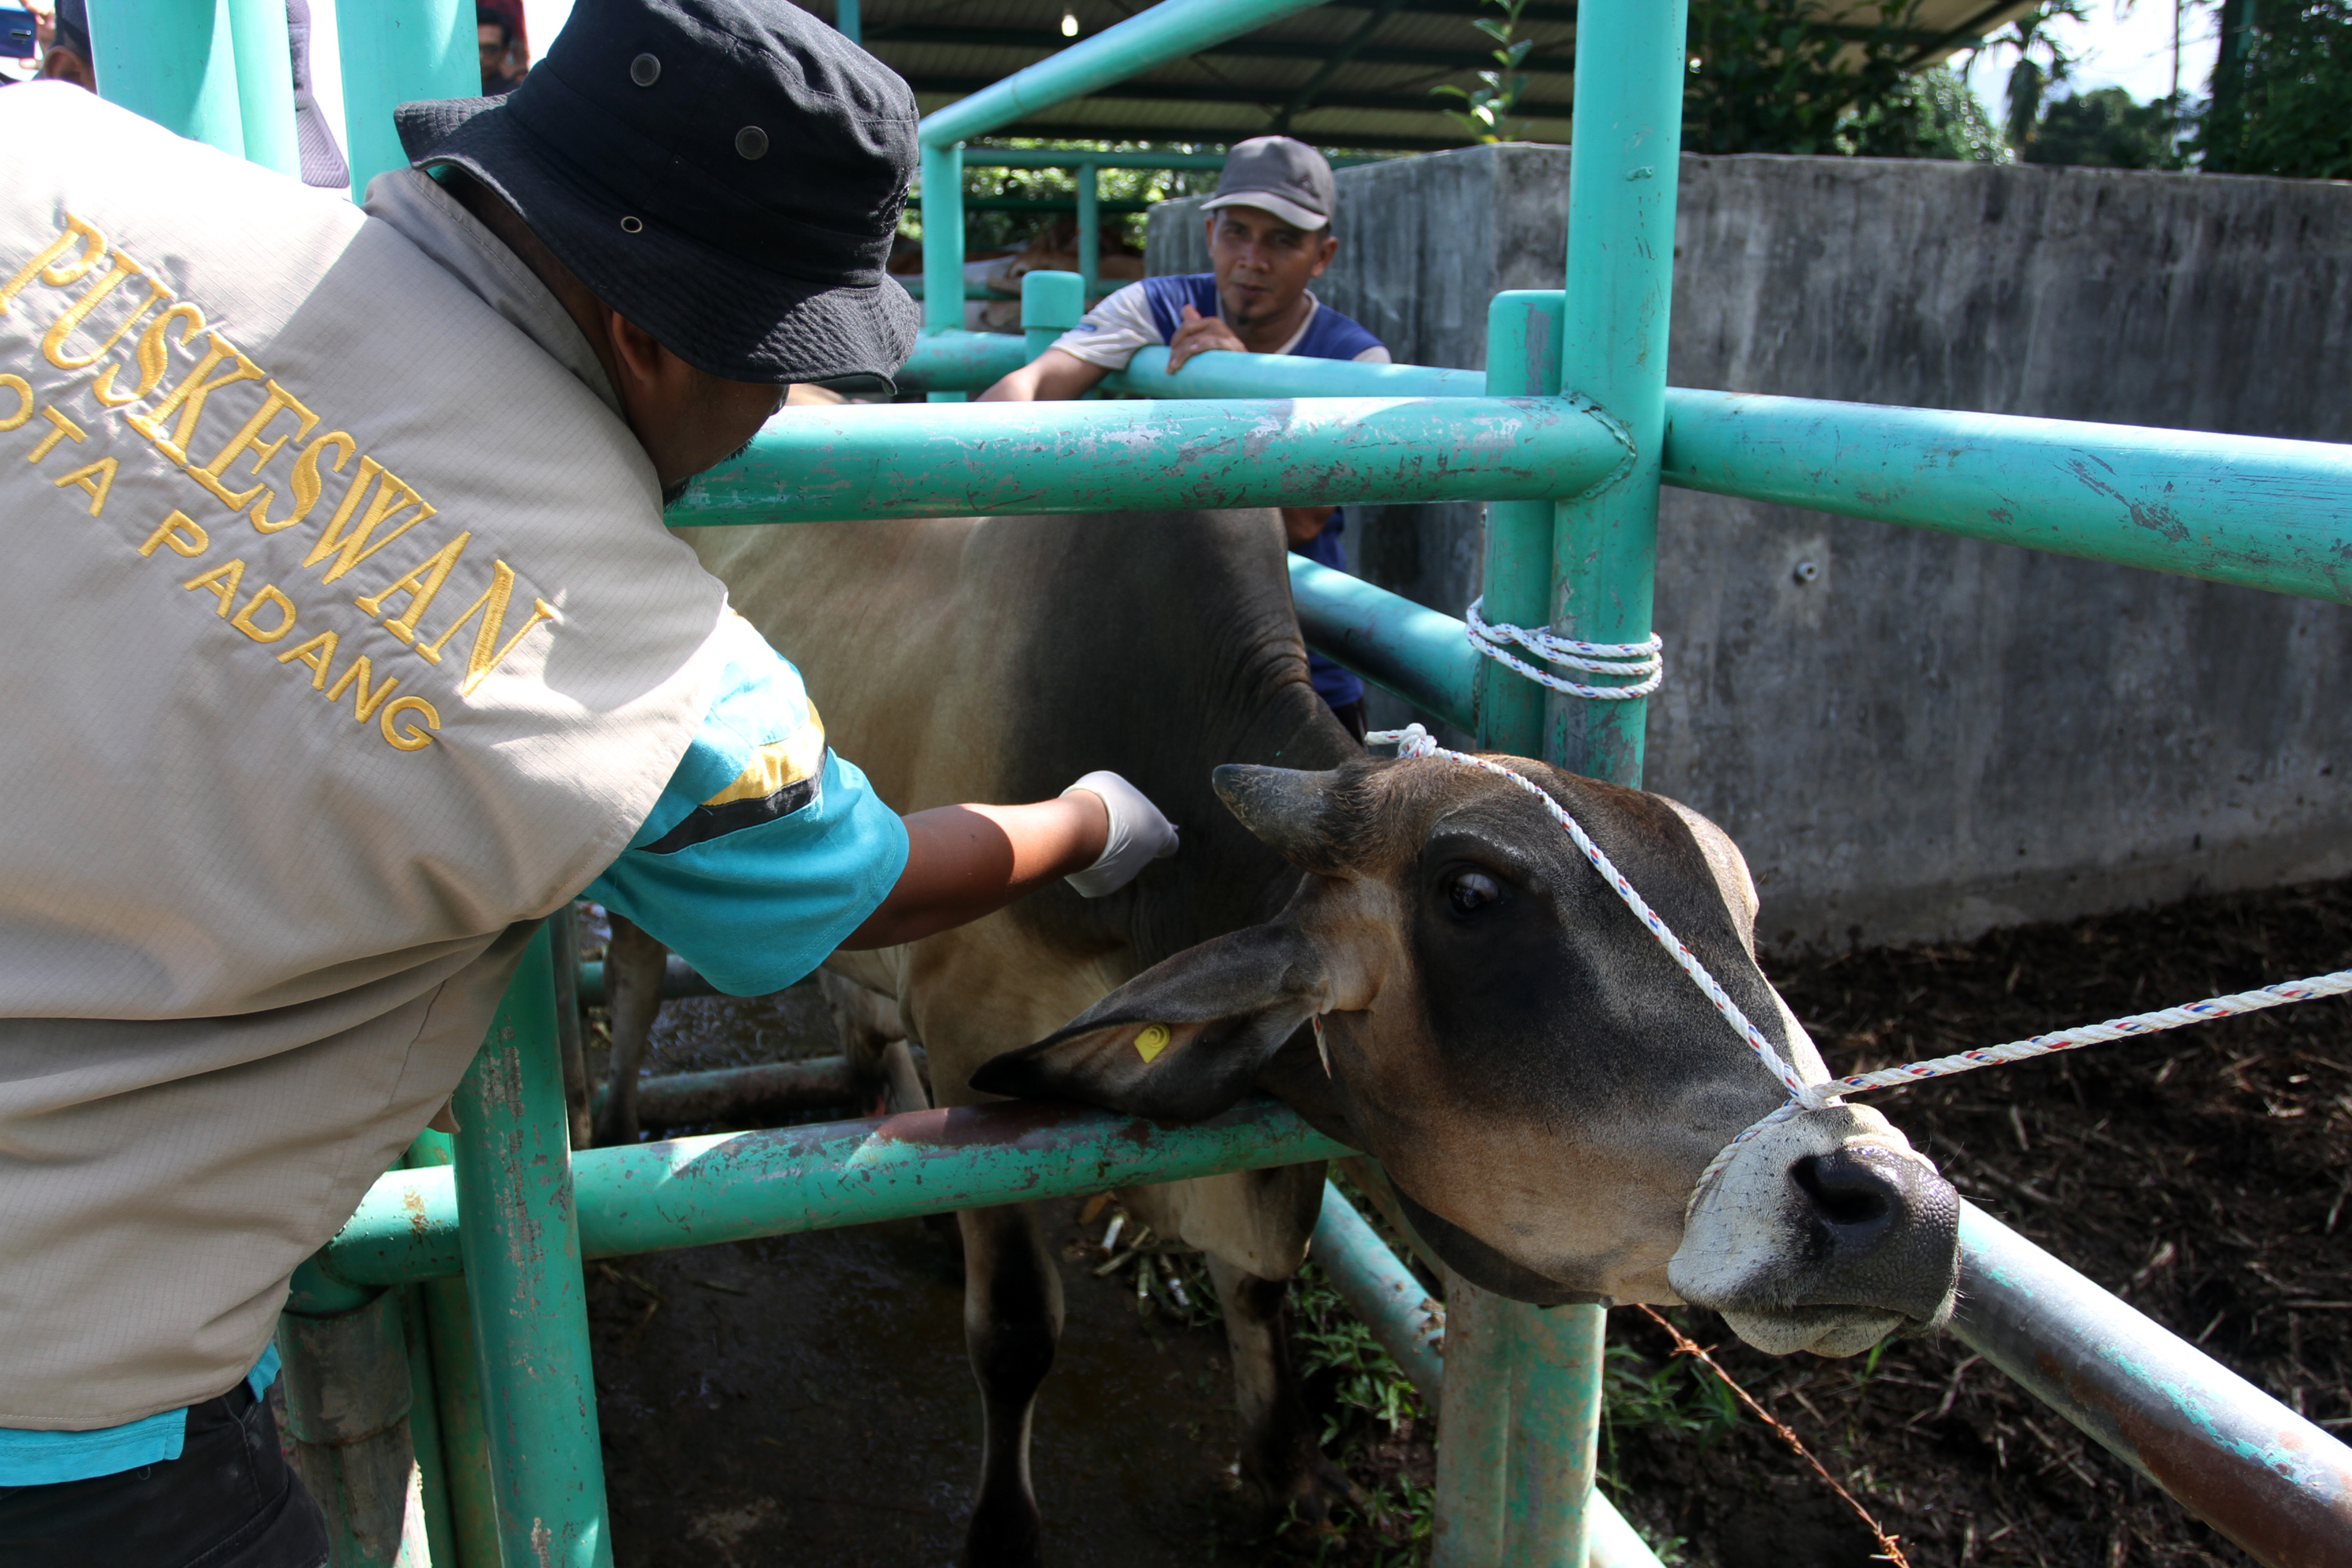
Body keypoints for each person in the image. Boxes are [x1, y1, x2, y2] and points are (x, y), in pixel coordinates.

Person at [0, 2, 1176, 1563]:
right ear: (657, 333)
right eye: (784, 371)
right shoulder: (652, 676)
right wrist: (1089, 819)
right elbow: (856, 884)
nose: (778, 418)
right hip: (72, 1409)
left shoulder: (52, 164)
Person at [978, 136, 1388, 740]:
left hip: (1298, 671)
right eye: (1236, 232)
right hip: (1160, 653)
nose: (1253, 259)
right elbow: (1032, 384)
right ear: (1209, 235)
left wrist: (1232, 389)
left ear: (1321, 255)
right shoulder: (1159, 306)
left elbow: (1303, 521)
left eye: (1282, 239)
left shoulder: (1354, 360)